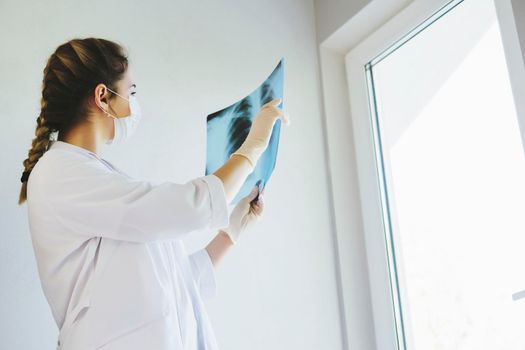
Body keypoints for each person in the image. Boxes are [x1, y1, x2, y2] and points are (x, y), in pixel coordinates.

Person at [18, 38, 290, 350]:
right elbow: (188, 207)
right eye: (131, 92)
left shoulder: (99, 180)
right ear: (102, 97)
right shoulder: (59, 173)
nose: (134, 104)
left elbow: (173, 285)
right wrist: (251, 148)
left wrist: (231, 233)